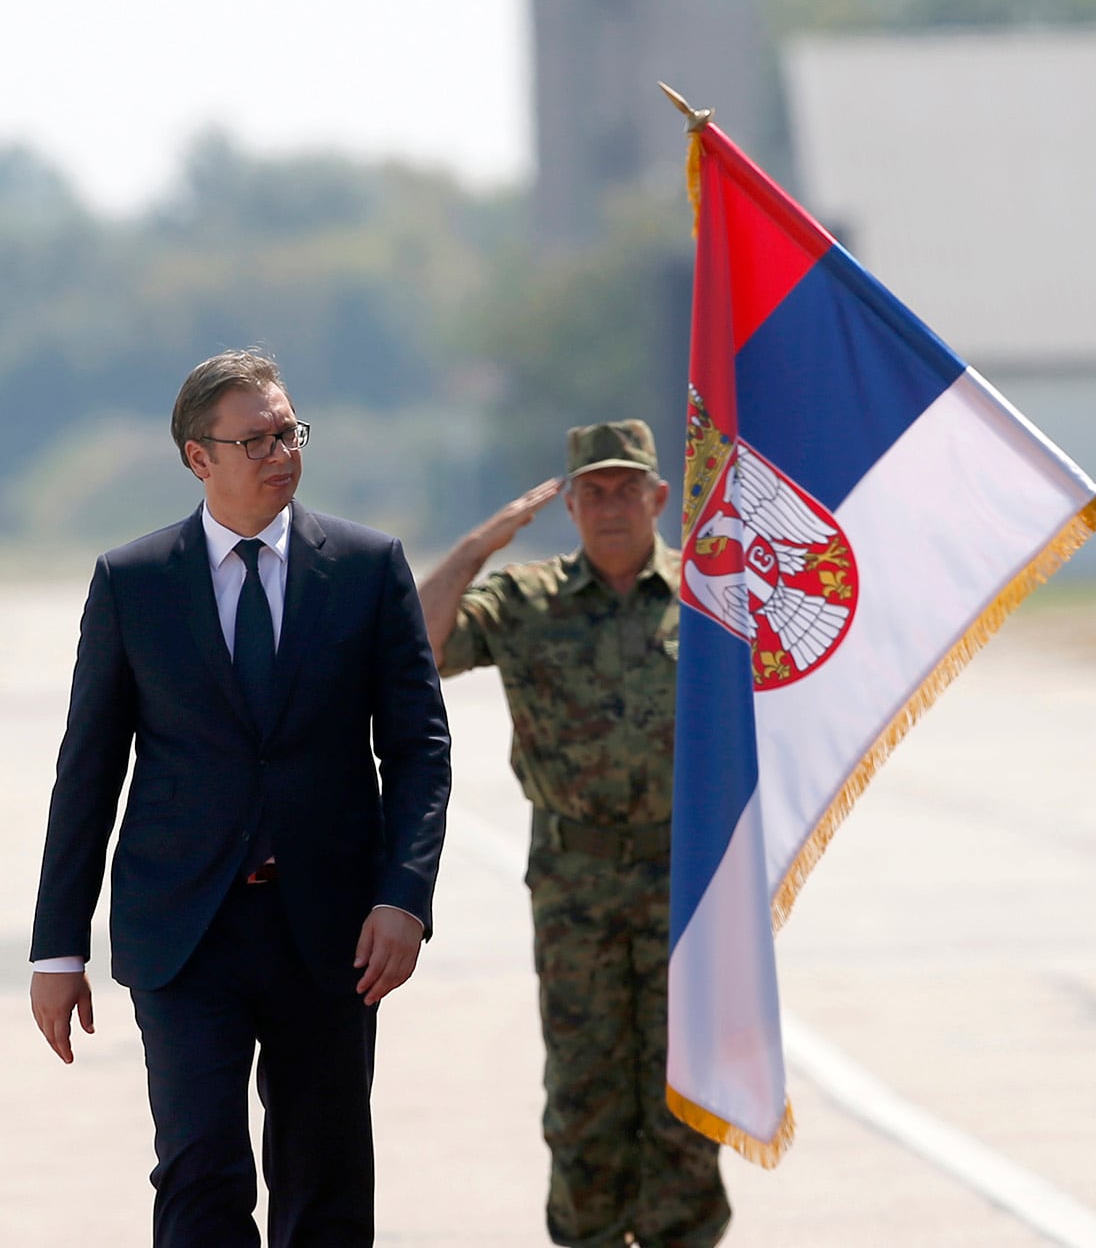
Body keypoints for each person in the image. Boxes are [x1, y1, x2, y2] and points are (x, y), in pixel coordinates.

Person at [27, 349, 452, 1247]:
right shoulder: (133, 583)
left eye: (289, 431)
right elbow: (88, 770)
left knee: (325, 1182)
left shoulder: (370, 570)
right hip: (186, 933)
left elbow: (418, 749)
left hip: (333, 935)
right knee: (200, 1173)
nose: (281, 452)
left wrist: (403, 895)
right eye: (254, 438)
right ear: (198, 457)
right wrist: (58, 947)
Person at [419, 420, 729, 1248]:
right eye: (592, 491)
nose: (612, 506)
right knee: (586, 1104)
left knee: (688, 1105)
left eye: (628, 488)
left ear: (660, 498)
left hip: (687, 884)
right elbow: (419, 644)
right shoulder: (528, 602)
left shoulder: (712, 598)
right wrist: (476, 548)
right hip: (576, 889)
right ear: (569, 504)